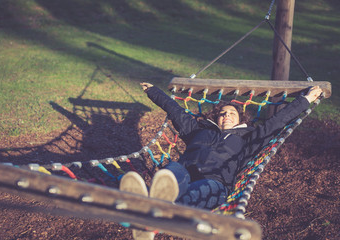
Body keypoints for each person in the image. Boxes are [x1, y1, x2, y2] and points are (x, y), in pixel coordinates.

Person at [119, 82, 322, 239]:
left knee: (201, 190)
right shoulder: (197, 130)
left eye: (232, 113)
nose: (226, 115)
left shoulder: (248, 138)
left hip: (216, 182)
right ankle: (153, 210)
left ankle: (150, 214)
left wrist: (305, 100)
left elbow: (277, 121)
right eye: (222, 113)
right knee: (170, 171)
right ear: (216, 118)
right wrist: (154, 91)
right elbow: (175, 111)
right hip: (184, 172)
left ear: (241, 119)